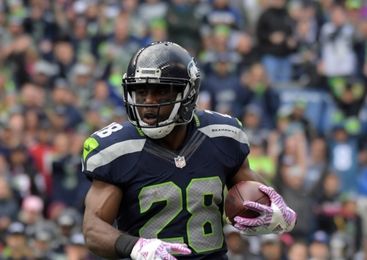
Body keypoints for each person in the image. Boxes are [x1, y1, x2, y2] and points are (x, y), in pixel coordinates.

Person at [81, 41, 296, 259]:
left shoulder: (220, 136)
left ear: (188, 93)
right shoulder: (117, 149)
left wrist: (281, 215)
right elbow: (92, 229)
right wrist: (135, 246)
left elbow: (260, 196)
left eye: (160, 92)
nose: (148, 102)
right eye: (141, 91)